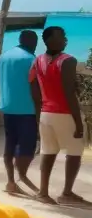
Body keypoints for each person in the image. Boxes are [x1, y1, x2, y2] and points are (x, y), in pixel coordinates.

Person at [29, 26, 88, 205]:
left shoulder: (37, 60)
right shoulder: (68, 61)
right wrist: (78, 122)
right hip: (65, 114)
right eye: (62, 37)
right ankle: (67, 193)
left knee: (48, 152)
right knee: (74, 153)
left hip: (46, 114)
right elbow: (69, 92)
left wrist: (39, 114)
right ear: (49, 40)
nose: (65, 40)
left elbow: (33, 89)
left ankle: (43, 193)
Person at [0, 30, 39, 196]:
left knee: (10, 145)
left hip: (8, 107)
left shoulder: (3, 57)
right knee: (28, 147)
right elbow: (36, 88)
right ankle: (23, 176)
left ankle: (11, 181)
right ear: (32, 43)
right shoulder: (32, 60)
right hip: (27, 109)